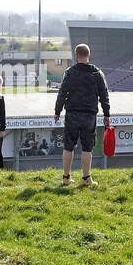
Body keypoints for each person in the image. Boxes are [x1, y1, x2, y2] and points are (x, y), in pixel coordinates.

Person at [53, 42, 111, 186]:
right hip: (89, 115)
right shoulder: (97, 73)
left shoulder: (70, 72)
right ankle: (86, 178)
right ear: (88, 55)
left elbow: (62, 93)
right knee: (87, 147)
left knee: (68, 146)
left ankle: (66, 177)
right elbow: (104, 95)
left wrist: (57, 111)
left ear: (76, 55)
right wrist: (106, 114)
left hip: (72, 113)